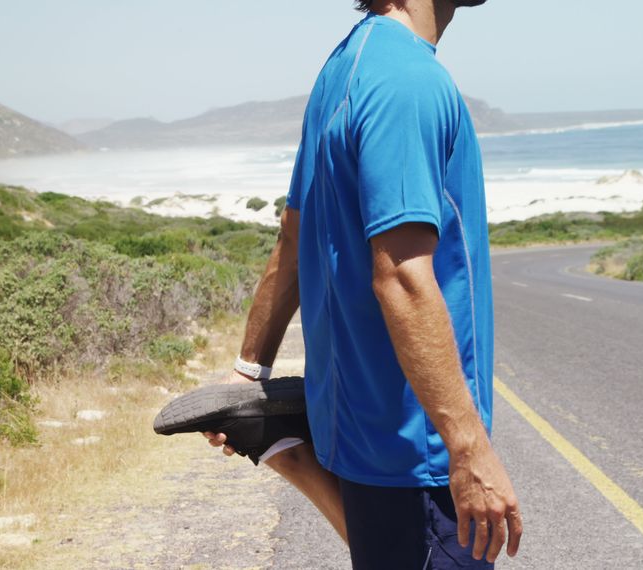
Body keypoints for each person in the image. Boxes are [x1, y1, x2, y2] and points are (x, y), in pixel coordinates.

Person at [202, 1, 522, 567]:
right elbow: (400, 276)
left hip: (366, 437)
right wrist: (468, 450)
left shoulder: (347, 65)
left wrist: (249, 370)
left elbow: (294, 235)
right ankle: (289, 453)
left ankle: (287, 452)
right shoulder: (407, 80)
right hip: (414, 451)